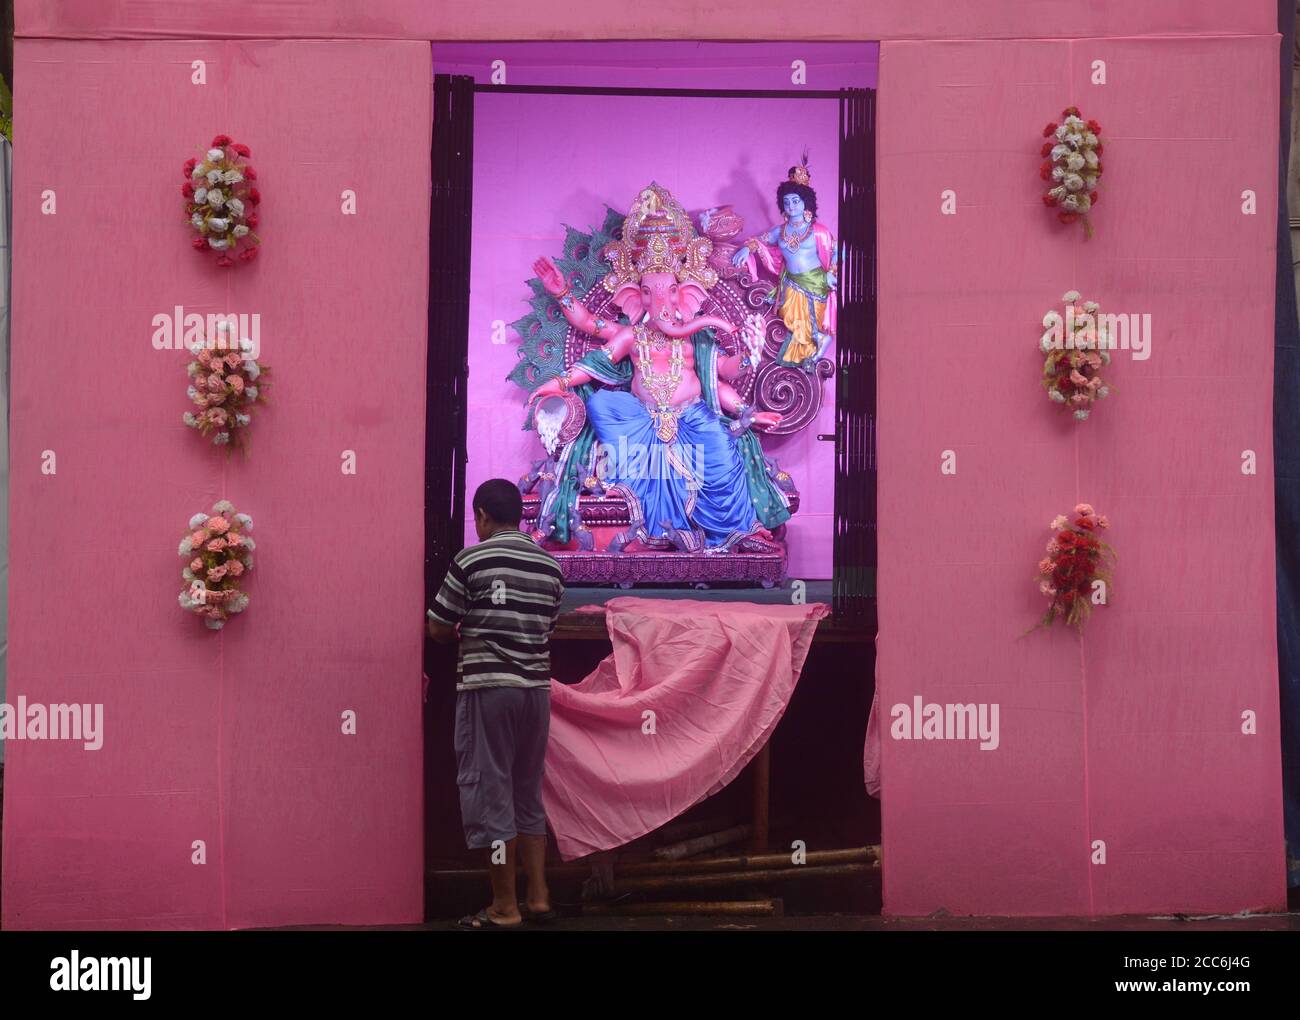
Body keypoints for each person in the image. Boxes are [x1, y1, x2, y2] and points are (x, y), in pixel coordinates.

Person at [426, 478, 565, 930]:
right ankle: (539, 896)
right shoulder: (549, 566)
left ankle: (504, 906)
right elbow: (547, 629)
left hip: (489, 688)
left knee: (492, 794)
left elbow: (438, 626)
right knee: (527, 791)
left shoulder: (471, 559)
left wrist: (467, 631)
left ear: (482, 515)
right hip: (535, 693)